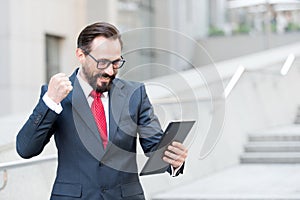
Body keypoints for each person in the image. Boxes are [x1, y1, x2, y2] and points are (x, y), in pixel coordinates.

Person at [16, 22, 188, 200]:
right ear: (81, 55)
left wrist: (173, 160)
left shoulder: (134, 94)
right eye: (102, 62)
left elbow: (154, 147)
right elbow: (25, 148)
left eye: (116, 63)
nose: (109, 71)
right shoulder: (58, 96)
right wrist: (50, 101)